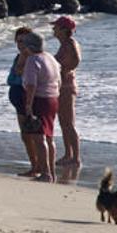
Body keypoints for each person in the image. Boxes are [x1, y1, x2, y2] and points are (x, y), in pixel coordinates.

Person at [21, 31, 61, 182]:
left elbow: (31, 84)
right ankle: (51, 172)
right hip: (53, 98)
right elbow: (59, 80)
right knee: (49, 136)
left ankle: (45, 173)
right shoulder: (50, 57)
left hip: (40, 99)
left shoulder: (33, 60)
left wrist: (28, 105)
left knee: (39, 137)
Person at [7, 26, 38, 177]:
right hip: (17, 95)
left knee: (29, 133)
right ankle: (35, 164)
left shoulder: (29, 57)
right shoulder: (19, 55)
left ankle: (36, 166)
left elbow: (21, 72)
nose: (21, 44)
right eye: (19, 41)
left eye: (25, 41)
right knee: (26, 134)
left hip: (25, 95)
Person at [52, 16, 82, 166]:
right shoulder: (64, 44)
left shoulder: (70, 43)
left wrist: (63, 68)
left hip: (67, 87)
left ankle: (76, 158)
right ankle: (68, 154)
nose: (53, 29)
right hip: (61, 87)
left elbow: (76, 60)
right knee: (63, 122)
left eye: (56, 27)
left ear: (64, 30)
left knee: (68, 123)